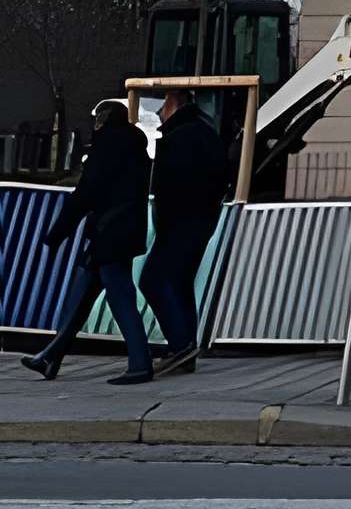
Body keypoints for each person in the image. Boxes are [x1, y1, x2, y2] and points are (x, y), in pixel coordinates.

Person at [21, 99, 154, 385]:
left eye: (96, 117)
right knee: (80, 300)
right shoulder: (136, 149)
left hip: (109, 236)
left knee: (120, 299)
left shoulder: (107, 147)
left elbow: (86, 194)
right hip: (121, 233)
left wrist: (57, 233)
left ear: (104, 119)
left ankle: (140, 365)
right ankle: (48, 358)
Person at [139, 85, 231, 373]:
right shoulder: (204, 132)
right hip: (200, 220)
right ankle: (185, 348)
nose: (158, 112)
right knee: (179, 283)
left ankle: (181, 345)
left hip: (179, 222)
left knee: (153, 280)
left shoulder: (179, 138)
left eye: (163, 104)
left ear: (175, 102)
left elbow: (167, 185)